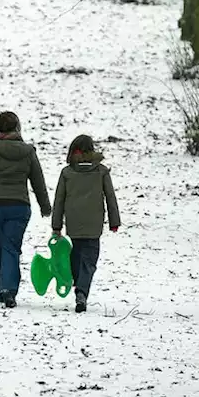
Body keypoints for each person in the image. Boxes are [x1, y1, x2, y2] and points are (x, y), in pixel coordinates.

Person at [0, 111, 52, 309]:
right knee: (12, 248)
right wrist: (45, 207)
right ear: (17, 127)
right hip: (19, 206)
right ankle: (8, 290)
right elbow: (38, 181)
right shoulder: (28, 151)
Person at [51, 134, 120, 313]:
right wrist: (114, 221)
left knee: (76, 255)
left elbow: (59, 200)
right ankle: (82, 291)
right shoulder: (101, 171)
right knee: (90, 260)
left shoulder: (67, 173)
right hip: (94, 223)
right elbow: (110, 197)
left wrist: (56, 225)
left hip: (73, 223)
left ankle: (78, 284)